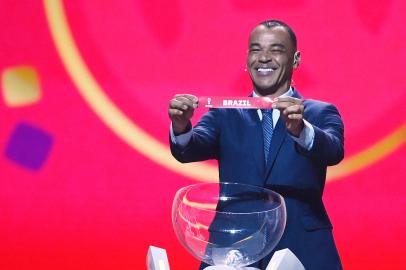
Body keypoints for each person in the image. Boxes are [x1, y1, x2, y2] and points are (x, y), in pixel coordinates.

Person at [168, 19, 344, 270]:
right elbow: (189, 148)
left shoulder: (319, 113)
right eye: (256, 49)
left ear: (295, 60)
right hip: (231, 249)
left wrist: (301, 130)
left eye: (276, 49)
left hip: (301, 247)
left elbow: (333, 150)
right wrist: (181, 125)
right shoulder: (224, 114)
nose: (264, 57)